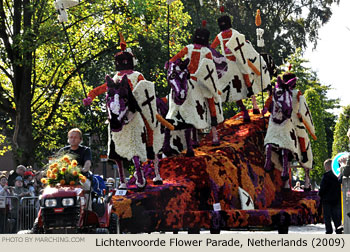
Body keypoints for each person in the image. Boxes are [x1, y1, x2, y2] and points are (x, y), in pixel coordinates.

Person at [319, 159, 342, 234]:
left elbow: (322, 188)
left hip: (327, 201)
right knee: (337, 217)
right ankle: (338, 230)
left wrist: (319, 194)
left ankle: (329, 231)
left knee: (327, 218)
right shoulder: (338, 176)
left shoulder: (326, 176)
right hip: (337, 200)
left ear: (327, 166)